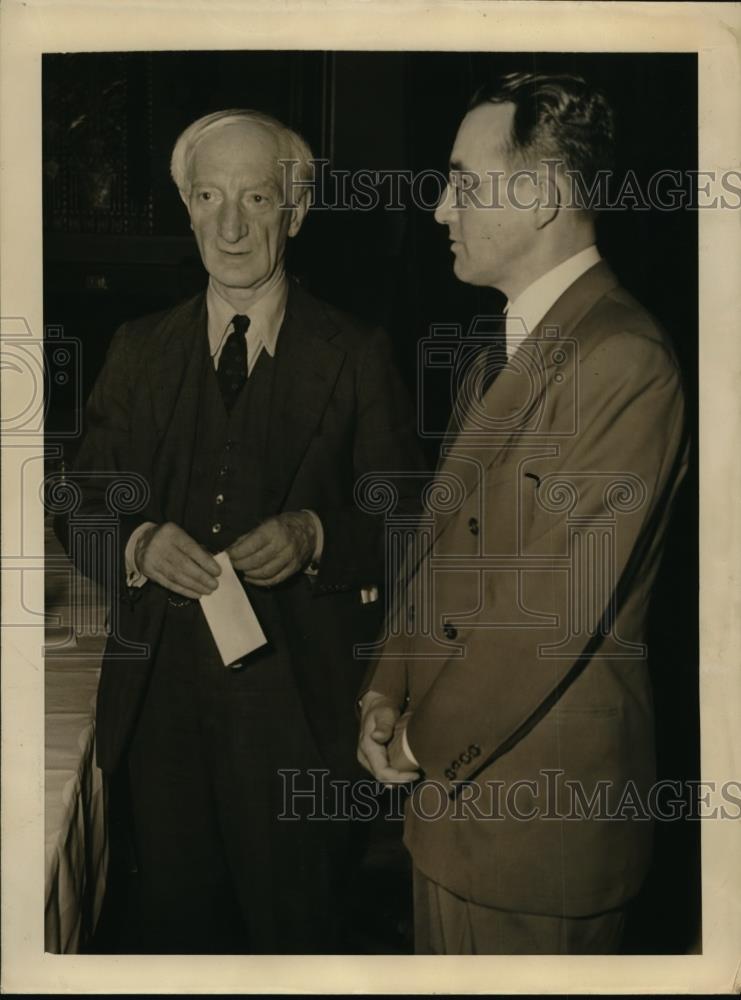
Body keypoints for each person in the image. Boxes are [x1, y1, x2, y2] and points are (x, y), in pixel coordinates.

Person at [54, 108, 425, 954]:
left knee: (297, 943)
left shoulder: (356, 353)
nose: (229, 226)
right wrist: (137, 544)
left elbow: (409, 516)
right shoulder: (137, 350)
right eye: (208, 197)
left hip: (299, 719)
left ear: (295, 211)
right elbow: (79, 502)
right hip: (160, 720)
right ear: (185, 208)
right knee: (174, 943)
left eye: (255, 198)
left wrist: (317, 534)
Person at [357, 73, 689, 954]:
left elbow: (546, 615)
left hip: (536, 830)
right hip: (451, 812)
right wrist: (385, 686)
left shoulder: (621, 360)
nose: (440, 209)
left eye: (463, 183)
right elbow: (439, 553)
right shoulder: (505, 348)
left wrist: (417, 741)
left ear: (540, 196)